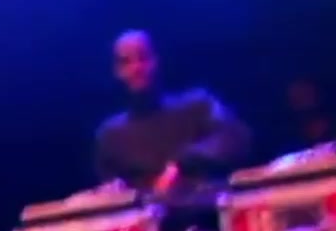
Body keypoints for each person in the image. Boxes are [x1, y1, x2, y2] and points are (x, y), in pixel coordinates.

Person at [93, 30, 251, 193]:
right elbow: (110, 187)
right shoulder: (111, 135)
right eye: (126, 62)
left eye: (143, 58)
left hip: (205, 205)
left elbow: (235, 139)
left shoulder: (198, 105)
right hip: (147, 209)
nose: (137, 68)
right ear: (117, 71)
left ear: (157, 61)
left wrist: (180, 165)